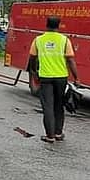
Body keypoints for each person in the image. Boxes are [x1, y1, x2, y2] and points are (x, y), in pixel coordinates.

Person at [29, 16, 79, 144]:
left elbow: (32, 58)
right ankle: (58, 133)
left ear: (46, 25)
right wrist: (76, 77)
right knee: (59, 105)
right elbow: (71, 60)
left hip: (45, 77)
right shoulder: (65, 40)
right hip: (61, 78)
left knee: (48, 107)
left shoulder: (38, 40)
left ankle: (50, 136)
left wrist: (34, 72)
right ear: (59, 26)